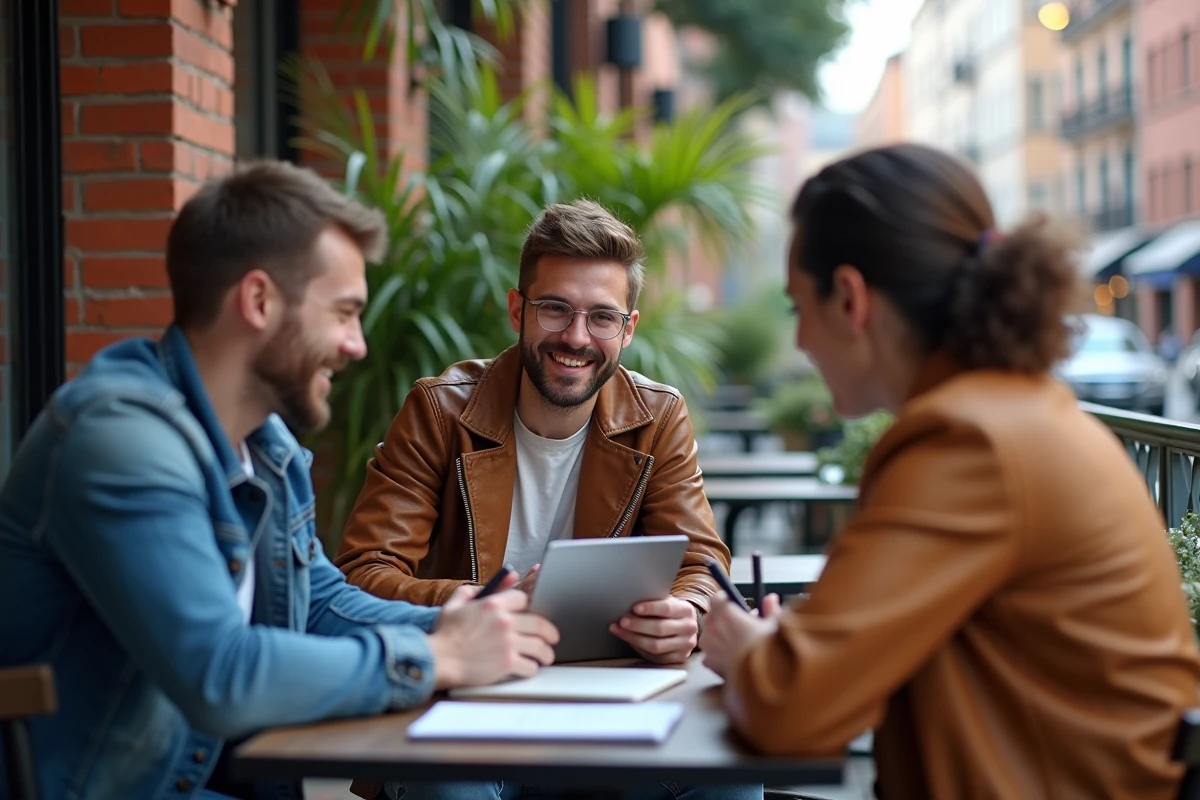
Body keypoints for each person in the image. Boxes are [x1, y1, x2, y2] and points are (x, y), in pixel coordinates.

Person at [0, 161, 559, 800]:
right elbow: (220, 672)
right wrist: (438, 659)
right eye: (344, 313)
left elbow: (318, 603)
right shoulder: (120, 444)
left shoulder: (268, 449)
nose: (357, 346)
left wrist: (456, 624)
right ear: (259, 301)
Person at [698, 143, 1200, 798]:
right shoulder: (1015, 410)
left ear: (850, 299)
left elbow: (790, 709)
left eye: (799, 309)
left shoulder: (966, 442)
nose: (798, 343)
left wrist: (743, 650)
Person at [334, 200, 755, 800]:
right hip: (470, 693)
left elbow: (703, 565)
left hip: (608, 695)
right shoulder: (439, 410)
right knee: (452, 791)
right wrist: (487, 602)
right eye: (555, 309)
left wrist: (687, 611)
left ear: (628, 329)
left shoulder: (657, 417)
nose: (577, 338)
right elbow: (361, 576)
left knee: (729, 776)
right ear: (518, 310)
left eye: (602, 317)